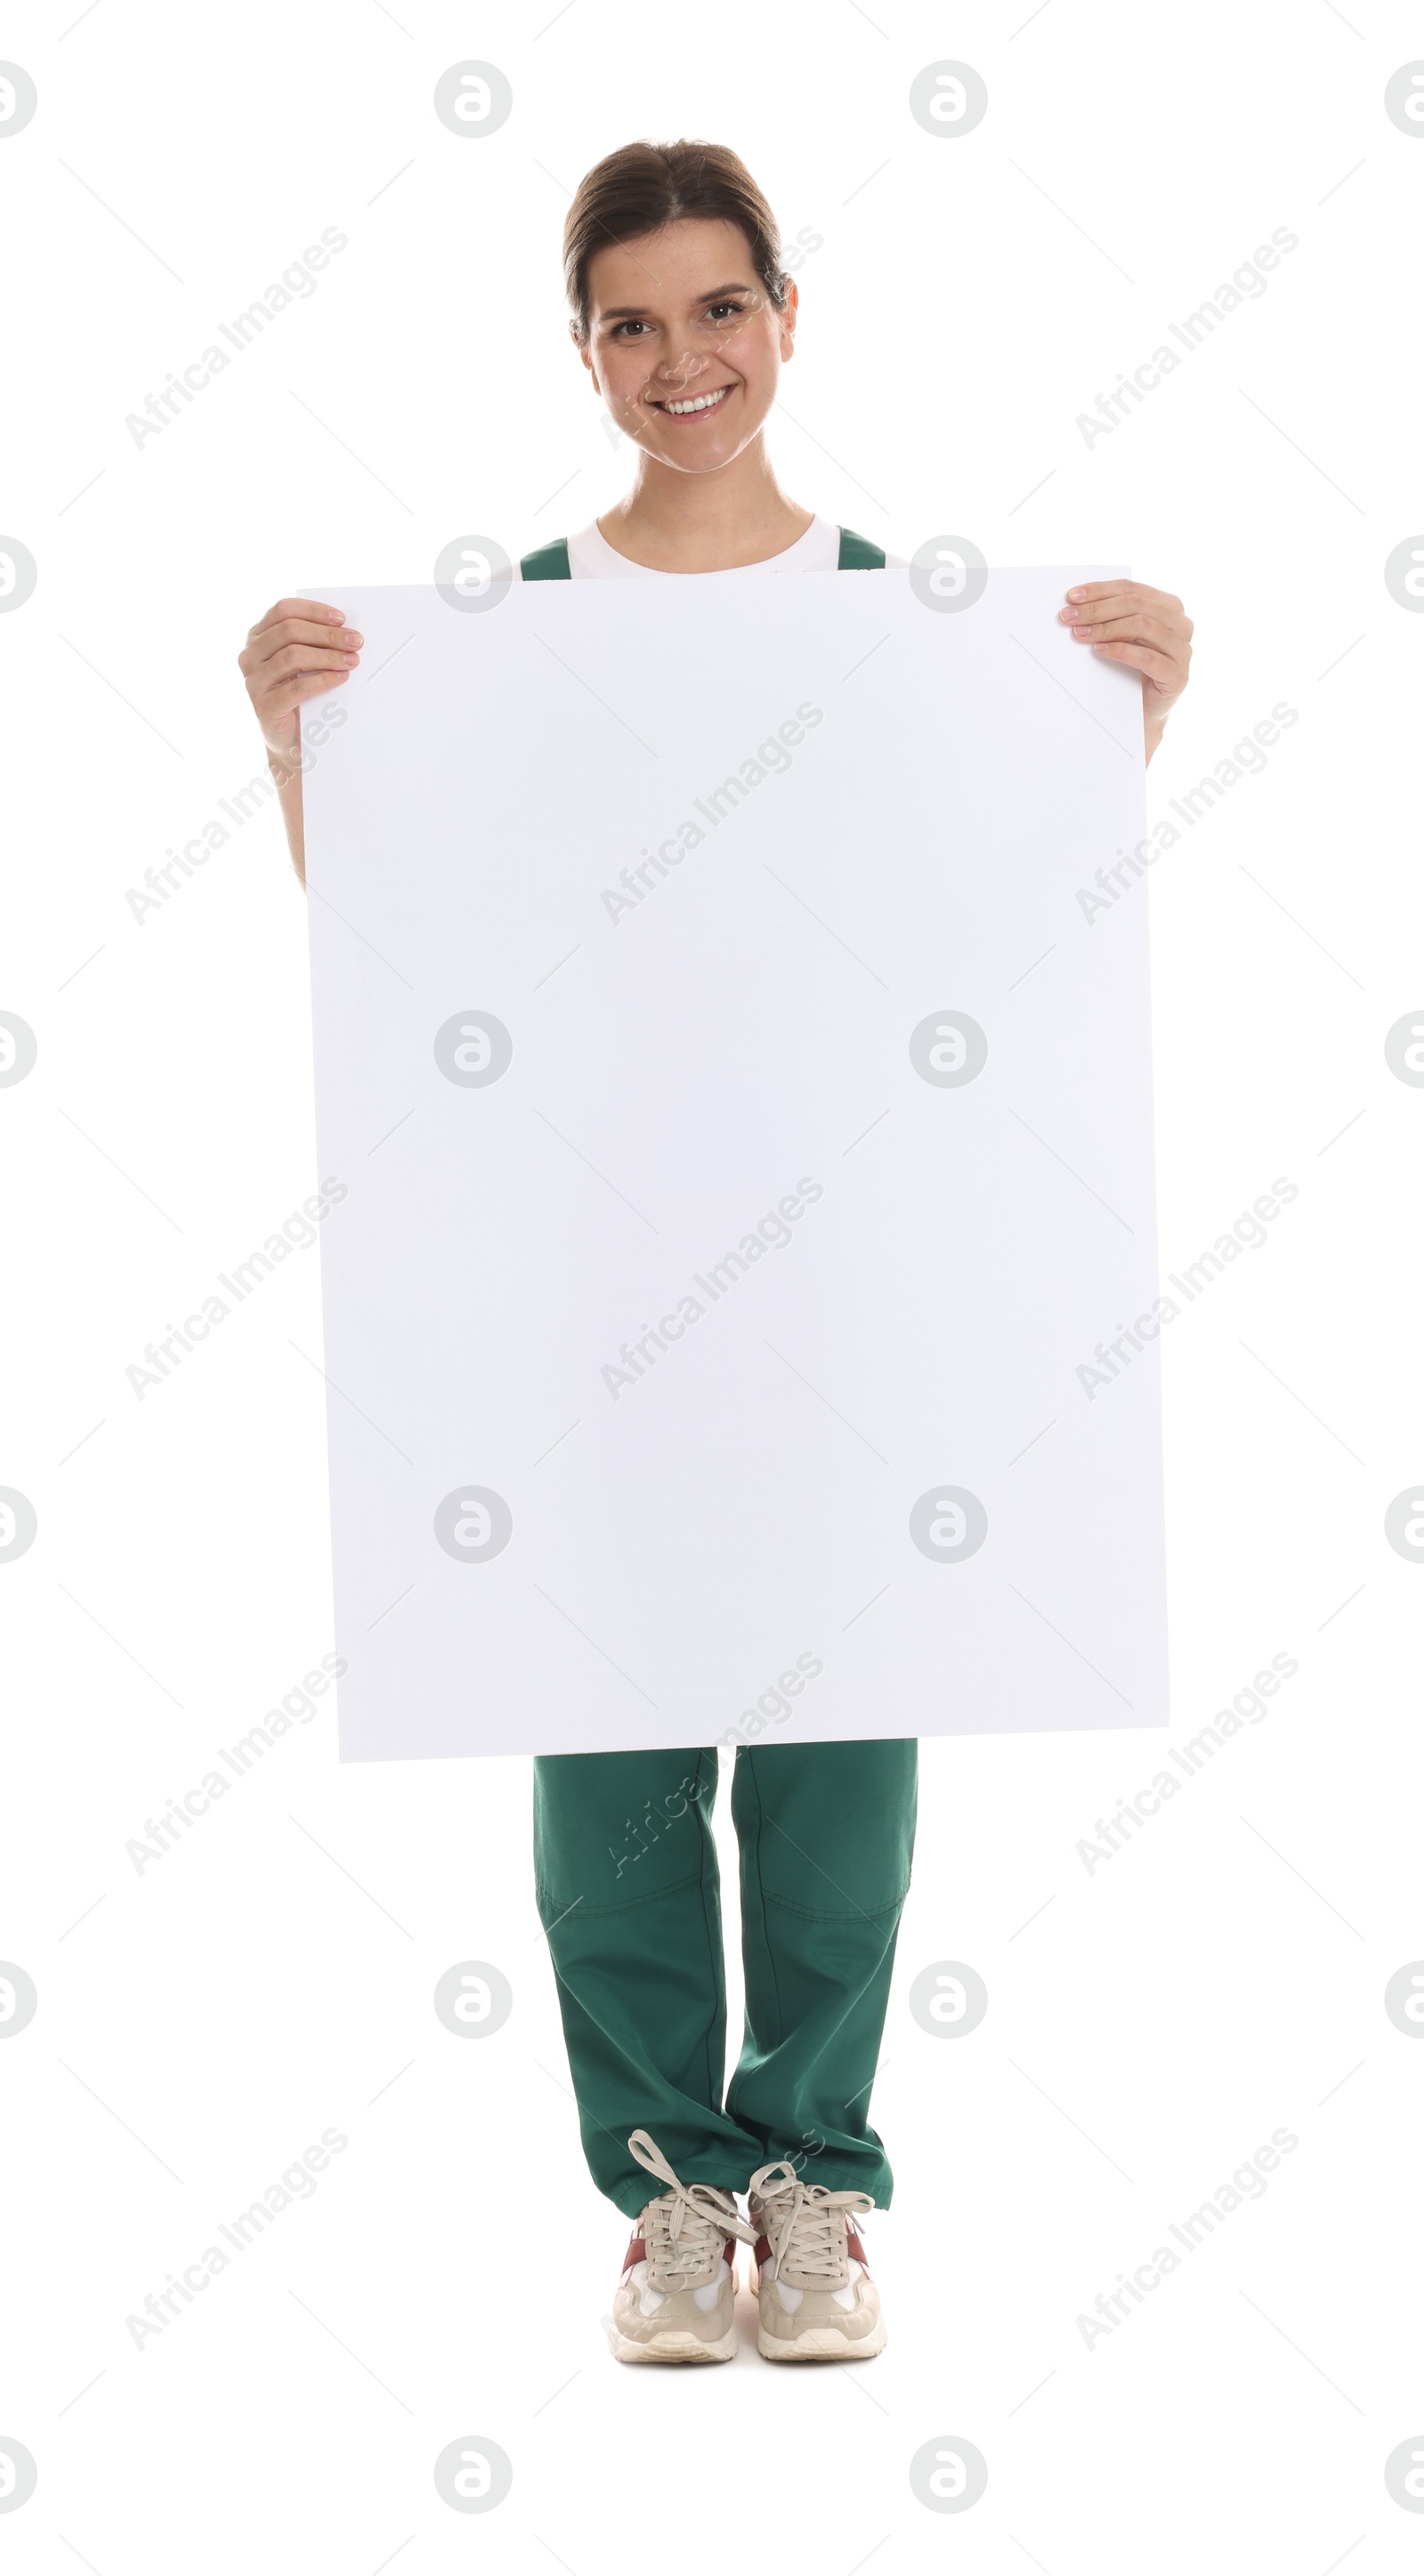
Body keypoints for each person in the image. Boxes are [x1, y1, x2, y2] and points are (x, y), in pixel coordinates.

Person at [239, 137, 1193, 2366]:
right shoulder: (505, 641)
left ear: (788, 313)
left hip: (852, 1270)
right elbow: (409, 950)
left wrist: (1108, 728)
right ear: (581, 354)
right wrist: (300, 741)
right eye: (632, 320)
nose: (684, 357)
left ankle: (819, 2175)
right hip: (586, 1270)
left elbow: (992, 934)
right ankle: (670, 2186)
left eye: (719, 306)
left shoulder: (913, 620)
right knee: (611, 1726)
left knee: (841, 1730)